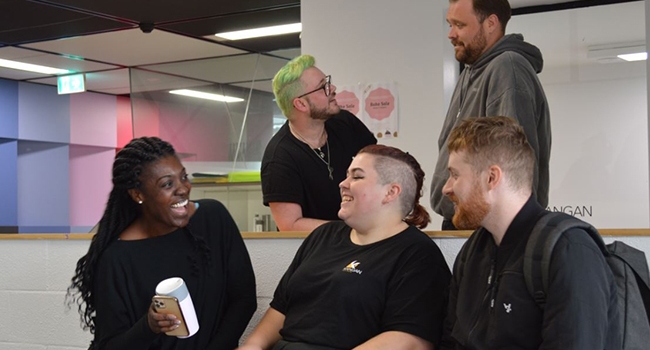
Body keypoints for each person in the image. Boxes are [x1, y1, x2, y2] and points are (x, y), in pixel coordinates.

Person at [240, 145, 451, 350]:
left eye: (357, 177)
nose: (343, 184)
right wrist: (252, 346)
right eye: (346, 175)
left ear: (391, 192)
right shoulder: (323, 236)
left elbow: (411, 340)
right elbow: (281, 308)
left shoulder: (418, 255)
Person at [439, 116, 619, 350]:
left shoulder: (569, 249)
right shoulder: (473, 251)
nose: (446, 188)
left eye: (455, 174)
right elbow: (450, 341)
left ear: (491, 178)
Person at [66, 136, 257, 350]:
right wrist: (148, 326)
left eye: (183, 177)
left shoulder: (213, 218)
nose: (183, 189)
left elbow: (244, 300)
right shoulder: (116, 258)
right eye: (167, 184)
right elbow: (110, 345)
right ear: (138, 194)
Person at [431, 0, 552, 230]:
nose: (451, 34)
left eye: (460, 25)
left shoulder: (507, 67)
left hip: (490, 227)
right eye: (450, 24)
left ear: (491, 23)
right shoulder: (470, 71)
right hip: (468, 222)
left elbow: (513, 164)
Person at [262, 54, 376, 231]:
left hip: (363, 239)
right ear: (301, 104)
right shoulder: (279, 158)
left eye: (327, 82)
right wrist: (353, 231)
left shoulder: (344, 122)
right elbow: (290, 225)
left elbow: (380, 165)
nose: (333, 89)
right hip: (317, 251)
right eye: (323, 87)